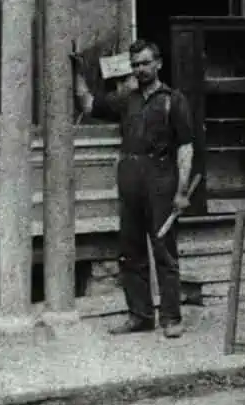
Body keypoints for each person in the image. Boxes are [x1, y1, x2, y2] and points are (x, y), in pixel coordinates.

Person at [81, 40, 196, 337]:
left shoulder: (174, 100)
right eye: (135, 65)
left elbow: (185, 147)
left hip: (161, 179)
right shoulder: (126, 100)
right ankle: (140, 315)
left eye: (145, 63)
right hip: (130, 177)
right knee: (130, 250)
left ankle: (171, 318)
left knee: (164, 251)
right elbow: (89, 105)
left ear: (158, 63)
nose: (140, 69)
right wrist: (77, 73)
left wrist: (182, 191)